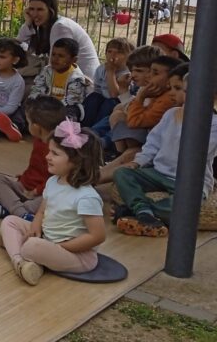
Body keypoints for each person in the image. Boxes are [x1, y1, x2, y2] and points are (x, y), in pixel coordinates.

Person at [0, 120, 106, 285]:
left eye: (55, 153)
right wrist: (35, 226)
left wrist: (63, 247)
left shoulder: (87, 197)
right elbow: (41, 211)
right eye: (49, 151)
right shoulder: (53, 181)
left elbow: (97, 236)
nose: (47, 156)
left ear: (76, 161)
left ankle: (16, 247)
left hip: (78, 255)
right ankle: (20, 262)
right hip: (48, 239)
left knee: (32, 246)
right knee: (9, 221)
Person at [111, 63, 211, 237]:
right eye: (183, 90)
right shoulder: (171, 114)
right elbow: (153, 143)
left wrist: (192, 119)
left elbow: (201, 151)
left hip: (189, 181)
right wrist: (138, 162)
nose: (175, 93)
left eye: (181, 90)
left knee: (185, 206)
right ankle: (144, 211)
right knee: (122, 174)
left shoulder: (213, 123)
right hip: (158, 173)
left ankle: (139, 211)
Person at [101, 55, 182, 183]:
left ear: (169, 80)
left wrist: (140, 97)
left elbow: (134, 122)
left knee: (131, 154)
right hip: (148, 149)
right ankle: (96, 176)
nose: (149, 76)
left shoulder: (167, 101)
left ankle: (95, 178)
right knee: (117, 113)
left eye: (154, 73)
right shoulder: (159, 97)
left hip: (158, 161)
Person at [0, 97, 68, 220]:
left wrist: (36, 191)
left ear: (36, 127)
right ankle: (19, 211)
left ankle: (17, 211)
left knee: (52, 198)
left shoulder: (59, 149)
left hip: (42, 194)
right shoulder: (38, 140)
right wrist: (24, 177)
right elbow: (36, 166)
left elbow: (58, 179)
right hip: (24, 188)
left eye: (28, 122)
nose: (27, 125)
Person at [16, 0, 99, 83]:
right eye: (31, 9)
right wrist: (28, 23)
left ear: (51, 10)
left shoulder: (60, 27)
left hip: (83, 82)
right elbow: (16, 47)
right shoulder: (44, 26)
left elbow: (57, 63)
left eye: (40, 9)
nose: (34, 14)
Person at [28, 38, 91, 120]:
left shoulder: (76, 78)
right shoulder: (47, 70)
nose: (55, 58)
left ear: (74, 60)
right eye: (53, 54)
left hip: (65, 106)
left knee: (71, 113)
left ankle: (61, 126)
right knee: (28, 104)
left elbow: (71, 101)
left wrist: (50, 108)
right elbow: (38, 87)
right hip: (47, 103)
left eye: (61, 56)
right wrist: (34, 100)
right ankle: (18, 124)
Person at [80, 38, 133, 129]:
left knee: (110, 103)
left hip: (118, 102)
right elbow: (97, 89)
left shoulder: (127, 74)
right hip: (102, 98)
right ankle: (84, 127)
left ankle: (96, 130)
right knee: (93, 98)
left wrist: (111, 72)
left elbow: (115, 95)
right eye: (109, 51)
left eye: (119, 52)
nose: (113, 55)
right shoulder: (101, 69)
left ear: (128, 57)